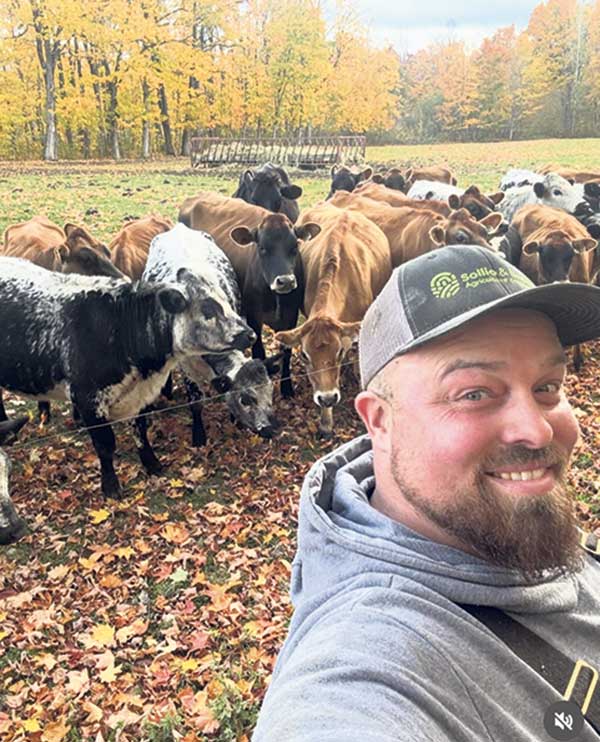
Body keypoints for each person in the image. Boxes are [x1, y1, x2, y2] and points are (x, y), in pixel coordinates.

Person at [252, 245, 600, 742]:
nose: (538, 431)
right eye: (474, 393)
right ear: (380, 421)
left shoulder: (502, 518)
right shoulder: (370, 661)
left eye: (548, 385)